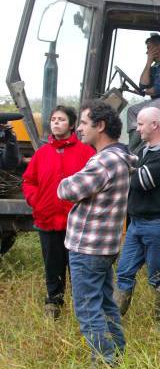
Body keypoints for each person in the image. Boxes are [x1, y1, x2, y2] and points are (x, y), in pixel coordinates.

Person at [58, 100, 137, 367]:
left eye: (82, 122)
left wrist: (65, 179)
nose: (78, 128)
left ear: (100, 125)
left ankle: (104, 364)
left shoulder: (104, 161)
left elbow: (67, 190)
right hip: (105, 247)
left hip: (88, 248)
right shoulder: (121, 157)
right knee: (105, 304)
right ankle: (118, 354)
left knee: (88, 309)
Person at [22, 106, 95, 319]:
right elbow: (29, 181)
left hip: (77, 224)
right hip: (47, 220)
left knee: (78, 268)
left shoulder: (86, 152)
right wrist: (36, 201)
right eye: (53, 119)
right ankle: (53, 304)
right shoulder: (42, 153)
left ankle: (82, 308)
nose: (55, 123)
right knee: (52, 266)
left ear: (72, 125)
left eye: (61, 119)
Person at [113, 107, 160, 327]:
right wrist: (131, 170)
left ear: (155, 125)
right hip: (135, 224)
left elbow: (141, 182)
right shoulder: (143, 150)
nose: (136, 128)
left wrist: (127, 170)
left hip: (156, 224)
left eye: (140, 124)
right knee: (124, 272)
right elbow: (134, 175)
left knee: (158, 276)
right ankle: (115, 322)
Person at [127, 34, 160, 152]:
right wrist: (148, 63)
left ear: (159, 47)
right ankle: (135, 147)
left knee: (141, 112)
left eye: (149, 48)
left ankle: (131, 150)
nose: (147, 52)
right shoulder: (155, 66)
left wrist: (145, 91)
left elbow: (158, 89)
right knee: (131, 110)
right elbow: (143, 84)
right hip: (157, 101)